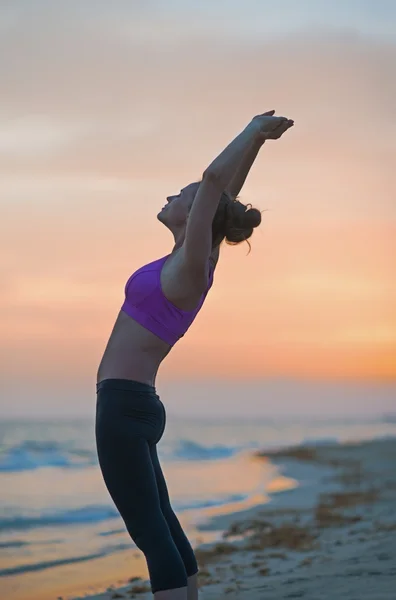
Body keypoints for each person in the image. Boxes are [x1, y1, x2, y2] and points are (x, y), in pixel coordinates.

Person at [95, 110, 294, 599]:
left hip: (122, 406)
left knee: (151, 533)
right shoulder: (190, 261)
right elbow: (220, 191)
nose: (170, 196)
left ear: (195, 212)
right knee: (161, 523)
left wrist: (248, 129)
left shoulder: (190, 269)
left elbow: (211, 182)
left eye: (179, 196)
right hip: (138, 403)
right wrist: (257, 145)